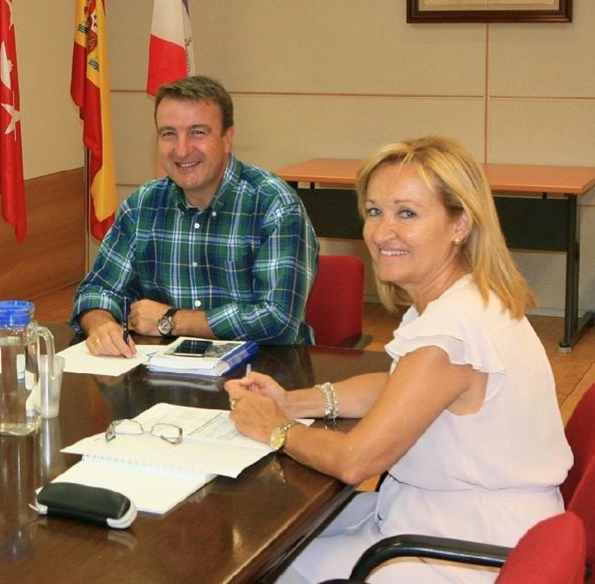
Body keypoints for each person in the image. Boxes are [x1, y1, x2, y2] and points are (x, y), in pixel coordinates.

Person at [227, 136, 572, 583]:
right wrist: (294, 402)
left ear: (460, 223)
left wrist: (276, 428)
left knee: (257, 565)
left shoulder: (450, 333)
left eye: (407, 213)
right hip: (451, 518)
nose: (381, 232)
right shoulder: (465, 299)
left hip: (467, 548)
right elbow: (401, 386)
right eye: (375, 211)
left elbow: (355, 461)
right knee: (275, 539)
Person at [71, 75, 318, 355]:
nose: (182, 149)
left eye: (198, 132)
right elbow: (96, 290)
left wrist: (171, 320)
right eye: (168, 134)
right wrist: (101, 324)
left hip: (264, 370)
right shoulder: (143, 205)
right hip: (162, 369)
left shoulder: (275, 205)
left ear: (227, 138)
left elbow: (278, 320)